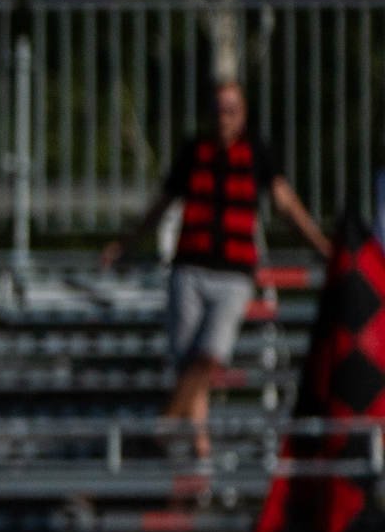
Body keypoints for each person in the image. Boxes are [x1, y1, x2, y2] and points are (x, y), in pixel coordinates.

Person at [101, 81, 331, 461]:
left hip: (234, 273)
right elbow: (161, 205)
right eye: (218, 110)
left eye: (231, 110)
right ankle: (200, 451)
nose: (224, 118)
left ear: (243, 115)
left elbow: (286, 204)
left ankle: (159, 433)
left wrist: (320, 245)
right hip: (190, 268)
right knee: (190, 365)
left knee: (209, 357)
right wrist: (126, 244)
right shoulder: (194, 151)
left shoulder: (257, 152)